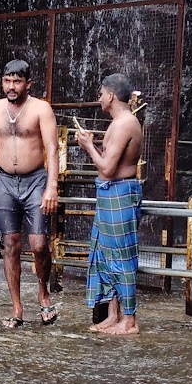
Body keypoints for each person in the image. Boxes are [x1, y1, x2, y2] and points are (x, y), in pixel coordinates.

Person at [0, 60, 59, 329]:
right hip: (4, 181)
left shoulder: (41, 109)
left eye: (17, 81)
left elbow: (52, 149)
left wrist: (52, 186)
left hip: (35, 180)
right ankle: (16, 308)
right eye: (7, 81)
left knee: (38, 244)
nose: (11, 87)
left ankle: (43, 292)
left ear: (28, 83)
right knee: (11, 244)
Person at [76, 72, 143, 337]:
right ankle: (114, 315)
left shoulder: (125, 123)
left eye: (101, 93)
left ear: (111, 95)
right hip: (110, 192)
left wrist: (88, 146)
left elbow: (107, 166)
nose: (99, 98)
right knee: (107, 255)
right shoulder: (120, 122)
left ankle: (130, 321)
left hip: (120, 192)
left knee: (122, 257)